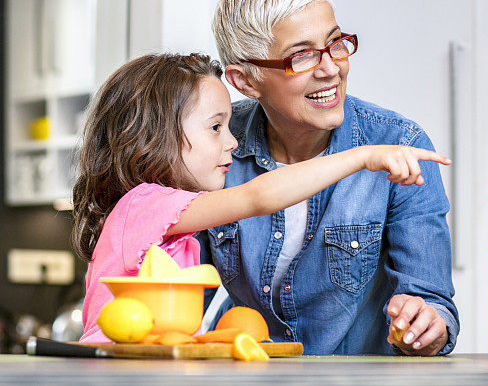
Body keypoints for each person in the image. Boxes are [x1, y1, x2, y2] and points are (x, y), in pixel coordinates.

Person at [71, 53, 449, 343]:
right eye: (215, 128)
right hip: (116, 370)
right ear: (156, 138)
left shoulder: (175, 220)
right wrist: (363, 156)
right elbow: (259, 196)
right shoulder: (145, 204)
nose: (232, 142)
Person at [202, 0, 459, 356]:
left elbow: (433, 302)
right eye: (301, 56)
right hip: (248, 375)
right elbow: (177, 286)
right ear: (245, 81)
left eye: (336, 43)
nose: (331, 68)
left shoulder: (400, 145)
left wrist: (427, 325)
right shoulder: (215, 146)